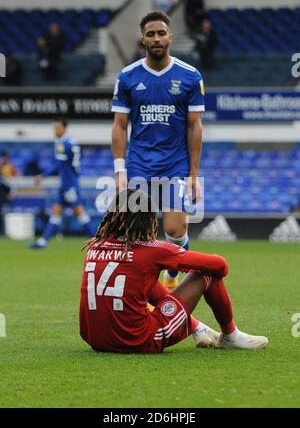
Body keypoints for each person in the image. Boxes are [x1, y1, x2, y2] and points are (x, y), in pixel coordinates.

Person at [80, 189, 268, 353]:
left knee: (142, 278)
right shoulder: (153, 250)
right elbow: (220, 265)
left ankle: (199, 328)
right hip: (137, 340)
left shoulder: (95, 247)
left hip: (95, 340)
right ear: (148, 219)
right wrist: (179, 262)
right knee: (207, 273)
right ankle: (230, 336)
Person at [111, 10, 205, 290]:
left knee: (175, 230)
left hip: (175, 163)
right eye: (150, 34)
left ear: (170, 36)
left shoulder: (190, 76)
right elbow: (119, 126)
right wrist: (120, 170)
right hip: (139, 162)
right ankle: (146, 293)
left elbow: (195, 127)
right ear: (142, 39)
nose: (156, 38)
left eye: (161, 33)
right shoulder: (127, 77)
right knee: (138, 234)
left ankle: (173, 274)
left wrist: (194, 173)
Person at [29, 117, 94, 249]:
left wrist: (42, 176)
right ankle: (43, 241)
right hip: (67, 182)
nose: (55, 130)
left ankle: (96, 239)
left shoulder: (63, 143)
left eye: (58, 128)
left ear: (64, 128)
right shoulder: (71, 141)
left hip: (69, 184)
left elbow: (58, 164)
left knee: (79, 212)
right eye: (54, 128)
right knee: (56, 212)